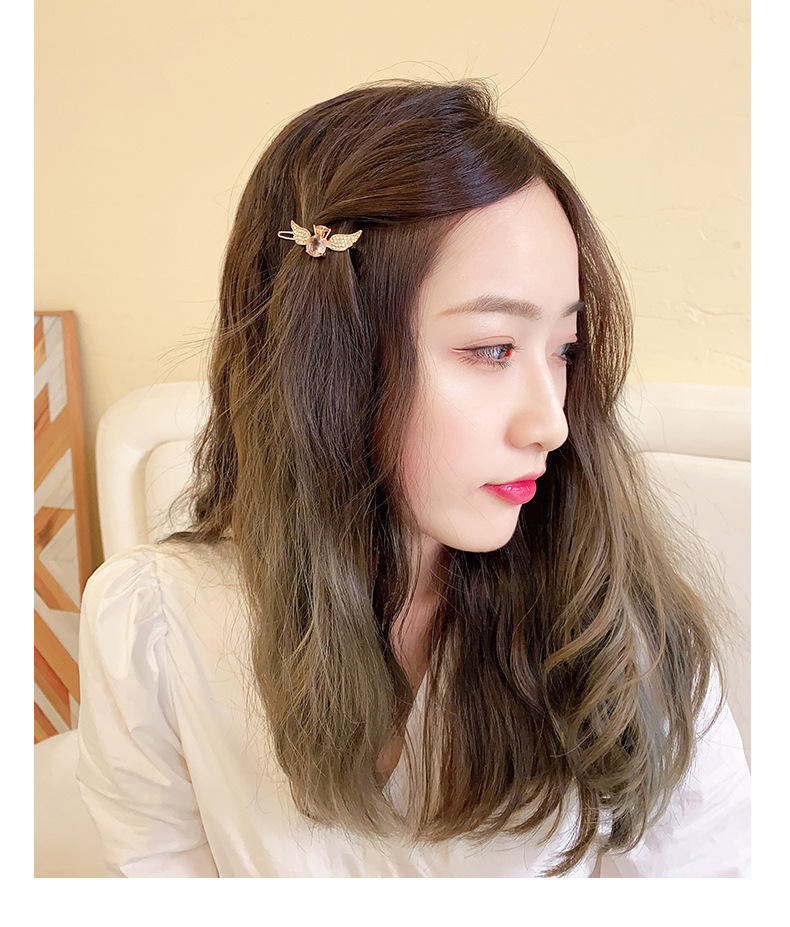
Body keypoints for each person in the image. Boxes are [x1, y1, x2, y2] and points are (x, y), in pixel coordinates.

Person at [76, 78, 750, 877]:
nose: (552, 423)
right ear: (328, 359)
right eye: (492, 348)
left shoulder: (618, 632)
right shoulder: (155, 628)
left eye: (564, 350)